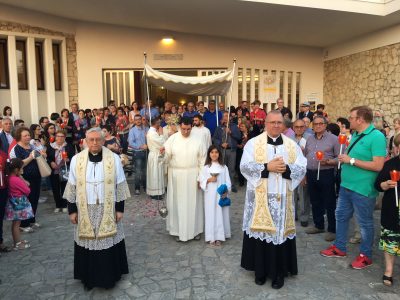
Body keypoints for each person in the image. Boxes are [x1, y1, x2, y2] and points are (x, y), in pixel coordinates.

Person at [240, 110, 307, 289]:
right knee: (261, 233)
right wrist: (267, 167)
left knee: (279, 234)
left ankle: (279, 273)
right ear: (265, 123)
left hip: (282, 197)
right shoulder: (253, 144)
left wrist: (285, 170)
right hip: (261, 197)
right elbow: (244, 166)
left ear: (283, 125)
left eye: (279, 122)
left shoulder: (292, 145)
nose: (276, 125)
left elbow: (302, 166)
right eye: (272, 122)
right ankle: (260, 271)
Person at [63, 127, 130, 290]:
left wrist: (119, 209)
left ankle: (109, 277)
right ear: (85, 141)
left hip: (107, 208)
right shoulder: (76, 160)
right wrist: (72, 210)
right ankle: (89, 278)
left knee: (107, 241)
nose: (94, 143)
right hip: (85, 208)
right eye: (91, 140)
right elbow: (71, 186)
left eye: (98, 139)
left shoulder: (113, 159)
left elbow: (120, 184)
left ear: (103, 140)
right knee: (89, 243)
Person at [320, 106, 386, 269]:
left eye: (351, 117)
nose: (348, 120)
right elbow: (347, 158)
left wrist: (351, 160)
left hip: (363, 188)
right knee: (341, 217)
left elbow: (378, 165)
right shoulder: (355, 135)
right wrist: (333, 161)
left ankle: (366, 256)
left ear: (360, 120)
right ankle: (339, 247)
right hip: (346, 186)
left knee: (364, 224)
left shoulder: (376, 136)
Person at [163, 117, 206, 242]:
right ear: (179, 127)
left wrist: (201, 178)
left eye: (188, 129)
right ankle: (177, 230)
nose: (185, 132)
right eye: (183, 129)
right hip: (176, 175)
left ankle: (195, 230)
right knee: (177, 203)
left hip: (193, 174)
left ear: (192, 127)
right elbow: (166, 156)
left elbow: (203, 160)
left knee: (194, 203)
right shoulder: (173, 138)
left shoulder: (199, 139)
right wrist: (162, 154)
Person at [304, 116, 340, 242]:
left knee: (329, 201)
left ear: (325, 125)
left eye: (320, 124)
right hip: (311, 172)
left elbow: (340, 158)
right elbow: (306, 155)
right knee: (314, 200)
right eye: (315, 124)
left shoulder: (334, 139)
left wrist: (330, 161)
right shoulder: (309, 138)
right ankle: (318, 225)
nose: (318, 126)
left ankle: (332, 229)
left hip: (326, 173)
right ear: (312, 126)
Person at [374, 134, 400, 287]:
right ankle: (389, 271)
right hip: (392, 208)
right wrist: (385, 184)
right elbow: (377, 185)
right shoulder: (390, 164)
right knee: (391, 240)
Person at [9, 127, 43, 233]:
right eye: (25, 135)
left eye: (29, 135)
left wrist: (41, 154)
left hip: (36, 175)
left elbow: (39, 158)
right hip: (25, 177)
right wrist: (30, 157)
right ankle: (23, 224)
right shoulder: (16, 148)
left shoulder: (32, 146)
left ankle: (32, 220)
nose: (28, 137)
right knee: (26, 201)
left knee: (35, 198)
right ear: (19, 137)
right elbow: (18, 165)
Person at [199, 145, 231, 247]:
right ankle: (211, 236)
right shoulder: (205, 168)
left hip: (221, 195)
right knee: (211, 214)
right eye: (212, 152)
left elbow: (228, 181)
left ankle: (220, 236)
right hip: (209, 196)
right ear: (209, 154)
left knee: (220, 214)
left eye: (216, 152)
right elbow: (201, 182)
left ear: (219, 154)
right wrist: (208, 180)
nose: (214, 154)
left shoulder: (223, 167)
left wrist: (226, 191)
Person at [4, 158, 34, 250]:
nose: (22, 170)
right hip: (18, 204)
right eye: (21, 168)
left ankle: (18, 241)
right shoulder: (15, 179)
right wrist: (23, 180)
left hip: (15, 203)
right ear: (16, 170)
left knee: (16, 223)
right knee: (16, 224)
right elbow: (27, 190)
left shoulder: (10, 178)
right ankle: (17, 244)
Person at [47, 130, 75, 213]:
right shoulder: (50, 146)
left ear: (64, 137)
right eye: (58, 136)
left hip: (64, 169)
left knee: (64, 188)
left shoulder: (68, 146)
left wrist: (68, 159)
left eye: (62, 136)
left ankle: (64, 205)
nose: (59, 138)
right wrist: (51, 162)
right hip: (54, 170)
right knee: (55, 189)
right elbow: (47, 157)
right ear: (55, 137)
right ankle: (58, 205)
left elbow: (73, 157)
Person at [213, 112, 241, 193]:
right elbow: (214, 138)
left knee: (231, 169)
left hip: (232, 150)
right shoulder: (219, 128)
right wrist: (221, 144)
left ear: (230, 118)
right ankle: (222, 184)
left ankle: (232, 185)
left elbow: (239, 137)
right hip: (222, 150)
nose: (226, 117)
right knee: (222, 168)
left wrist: (231, 133)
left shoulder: (234, 126)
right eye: (224, 116)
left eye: (227, 116)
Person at [291, 119, 310, 227]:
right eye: (296, 127)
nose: (299, 129)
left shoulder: (310, 138)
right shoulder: (289, 139)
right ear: (293, 128)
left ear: (305, 127)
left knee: (303, 196)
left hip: (304, 170)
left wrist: (305, 174)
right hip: (292, 170)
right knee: (292, 195)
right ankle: (293, 214)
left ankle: (304, 216)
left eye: (301, 127)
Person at [128, 115, 148, 195]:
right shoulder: (132, 130)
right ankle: (137, 188)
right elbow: (131, 142)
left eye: (139, 119)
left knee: (145, 171)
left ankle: (145, 186)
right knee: (138, 171)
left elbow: (151, 138)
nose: (138, 121)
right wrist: (140, 146)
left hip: (146, 152)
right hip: (137, 152)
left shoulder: (146, 129)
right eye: (136, 120)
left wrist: (148, 137)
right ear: (134, 121)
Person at [146, 117, 166, 200]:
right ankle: (155, 193)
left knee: (155, 174)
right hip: (155, 155)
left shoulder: (153, 132)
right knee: (155, 174)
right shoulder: (152, 133)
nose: (160, 125)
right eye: (159, 123)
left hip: (155, 154)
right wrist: (161, 134)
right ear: (156, 123)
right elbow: (161, 142)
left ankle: (155, 192)